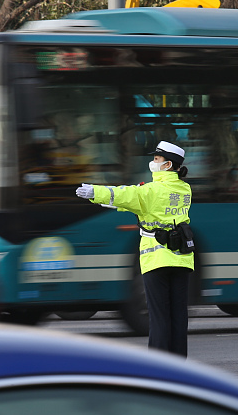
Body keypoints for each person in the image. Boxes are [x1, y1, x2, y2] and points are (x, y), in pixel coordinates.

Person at [76, 141, 193, 356]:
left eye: (156, 159)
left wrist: (94, 192)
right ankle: (178, 367)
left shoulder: (149, 191)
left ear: (167, 165)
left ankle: (159, 368)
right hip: (182, 259)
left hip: (156, 260)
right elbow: (130, 199)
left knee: (159, 317)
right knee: (178, 316)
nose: (152, 162)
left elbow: (125, 195)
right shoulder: (184, 189)